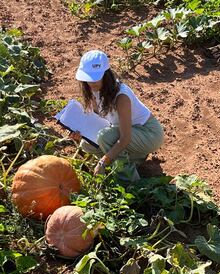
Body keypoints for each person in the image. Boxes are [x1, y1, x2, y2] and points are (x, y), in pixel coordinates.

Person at [70, 49, 164, 180]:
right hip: (129, 134)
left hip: (148, 133)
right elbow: (97, 122)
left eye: (95, 78)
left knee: (105, 137)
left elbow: (125, 138)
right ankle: (134, 158)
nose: (91, 83)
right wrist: (81, 135)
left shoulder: (121, 96)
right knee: (87, 144)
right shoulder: (93, 90)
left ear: (106, 74)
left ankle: (129, 182)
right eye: (88, 79)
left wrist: (103, 161)